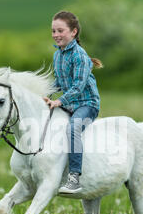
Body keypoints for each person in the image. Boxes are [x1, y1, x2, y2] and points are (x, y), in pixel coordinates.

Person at [43, 11, 103, 194]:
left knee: (72, 128)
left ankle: (74, 177)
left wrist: (59, 101)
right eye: (53, 31)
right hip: (69, 105)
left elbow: (78, 87)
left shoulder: (80, 56)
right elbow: (60, 82)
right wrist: (44, 94)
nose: (56, 35)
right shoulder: (58, 55)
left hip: (86, 104)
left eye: (60, 30)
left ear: (74, 32)